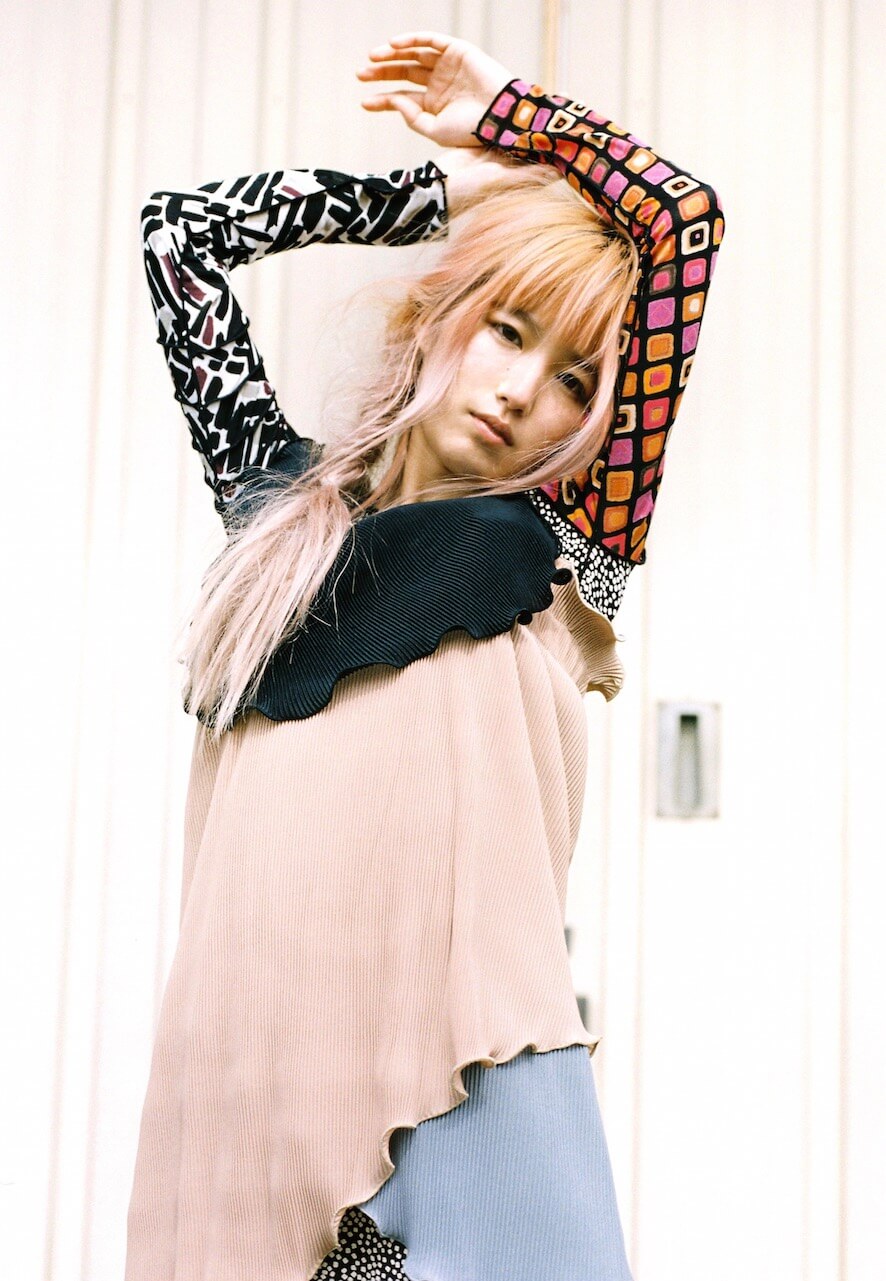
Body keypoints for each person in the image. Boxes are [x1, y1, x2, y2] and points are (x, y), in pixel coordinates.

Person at [125, 30, 724, 1281]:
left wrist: (509, 118)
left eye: (576, 383)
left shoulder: (566, 550)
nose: (523, 392)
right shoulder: (277, 518)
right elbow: (179, 237)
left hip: (458, 1081)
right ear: (439, 316)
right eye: (506, 329)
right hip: (250, 1092)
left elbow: (683, 223)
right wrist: (439, 197)